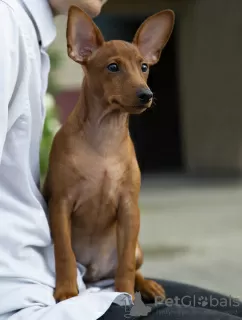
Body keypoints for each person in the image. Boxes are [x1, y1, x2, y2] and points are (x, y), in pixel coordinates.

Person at [0, 0, 241, 319]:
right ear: (79, 49)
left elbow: (128, 211)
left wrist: (126, 281)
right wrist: (67, 276)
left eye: (143, 67)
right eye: (115, 68)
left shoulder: (32, 40)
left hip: (98, 271)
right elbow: (57, 203)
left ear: (151, 57)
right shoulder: (10, 30)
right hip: (29, 284)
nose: (141, 86)